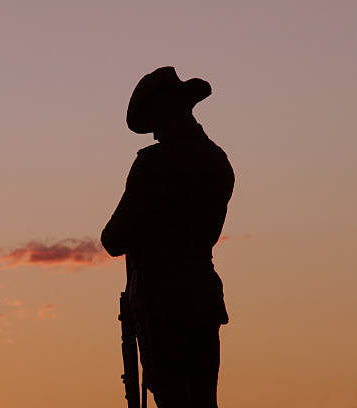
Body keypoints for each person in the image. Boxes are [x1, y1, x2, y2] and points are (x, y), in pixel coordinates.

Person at [101, 66, 234, 408]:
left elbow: (113, 239)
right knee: (204, 400)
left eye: (155, 123)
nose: (155, 134)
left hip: (161, 304)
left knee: (173, 398)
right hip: (202, 297)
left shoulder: (153, 165)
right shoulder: (217, 161)